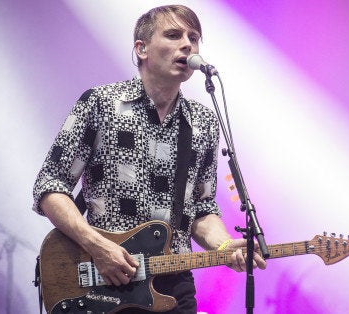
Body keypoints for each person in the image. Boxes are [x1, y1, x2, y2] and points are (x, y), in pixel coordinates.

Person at [32, 4, 266, 313]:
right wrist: (97, 246)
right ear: (142, 49)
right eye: (173, 35)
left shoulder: (203, 121)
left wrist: (224, 247)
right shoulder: (101, 104)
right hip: (106, 278)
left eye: (193, 37)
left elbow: (202, 208)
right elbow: (50, 186)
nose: (187, 44)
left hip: (174, 283)